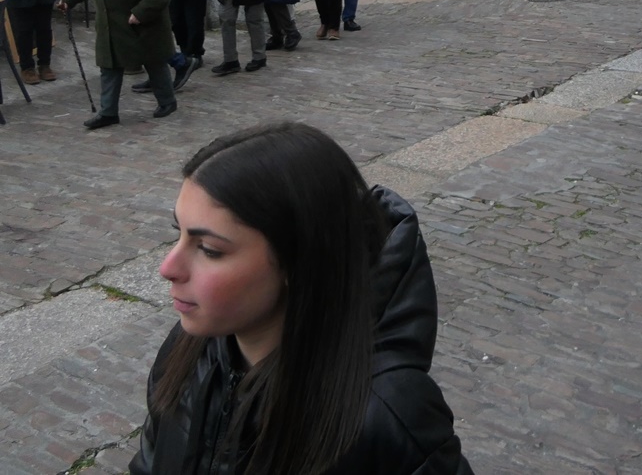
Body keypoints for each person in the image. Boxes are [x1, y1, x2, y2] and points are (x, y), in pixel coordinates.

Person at [128, 122, 474, 475]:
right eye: (179, 232)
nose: (168, 267)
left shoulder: (389, 416)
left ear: (297, 261)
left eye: (209, 249)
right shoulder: (188, 350)